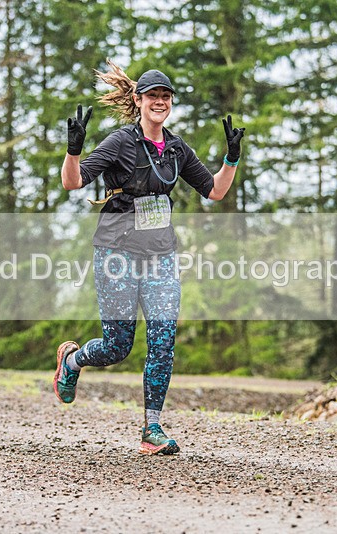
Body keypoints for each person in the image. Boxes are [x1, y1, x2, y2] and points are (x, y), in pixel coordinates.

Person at [54, 61, 245, 455]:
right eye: (153, 96)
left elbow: (214, 192)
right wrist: (74, 150)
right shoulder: (120, 142)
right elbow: (73, 182)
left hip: (160, 257)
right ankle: (72, 362)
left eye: (165, 96)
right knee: (118, 346)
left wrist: (231, 159)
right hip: (116, 255)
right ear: (138, 100)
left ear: (170, 102)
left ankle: (152, 429)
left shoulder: (176, 149)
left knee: (163, 339)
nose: (159, 102)